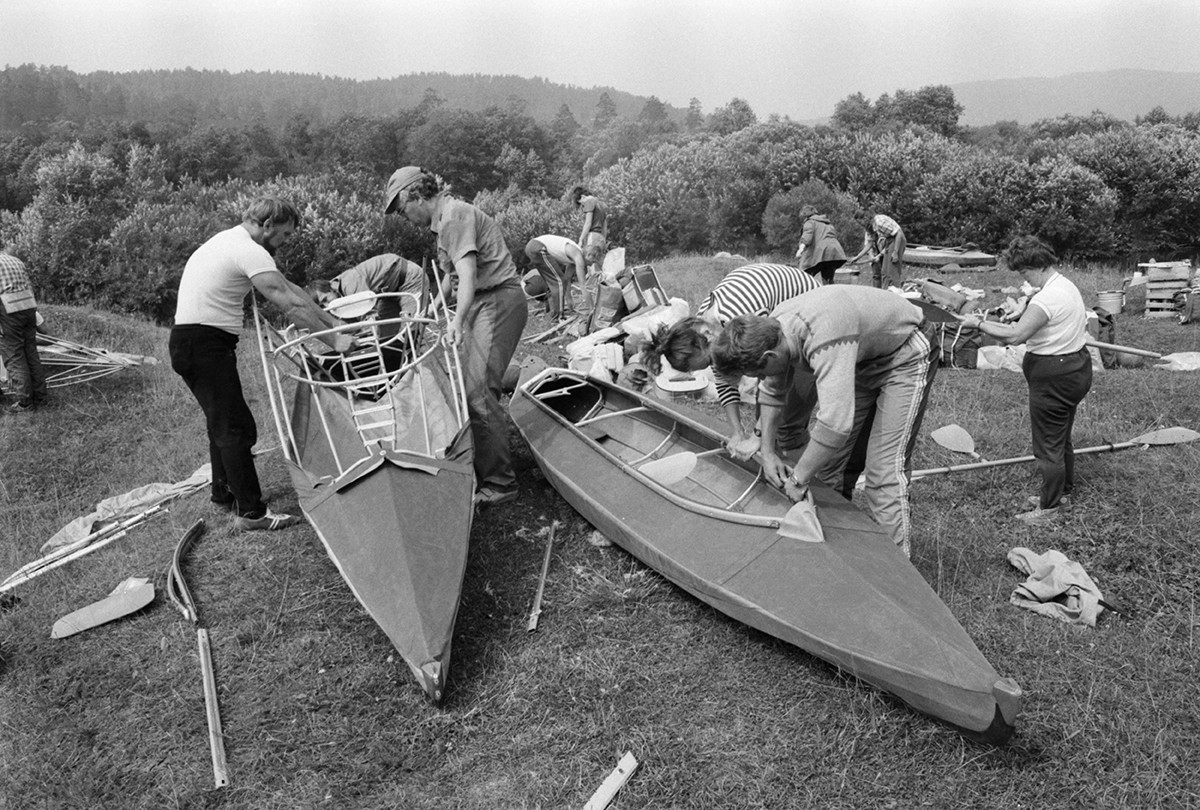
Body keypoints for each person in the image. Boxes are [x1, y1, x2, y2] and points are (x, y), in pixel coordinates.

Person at [711, 285, 940, 558]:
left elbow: (834, 424)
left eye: (756, 373)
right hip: (863, 358)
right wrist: (768, 451)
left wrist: (797, 479)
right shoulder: (774, 333)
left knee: (883, 471)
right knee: (831, 466)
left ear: (768, 357)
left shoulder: (824, 336)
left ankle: (896, 568)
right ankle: (836, 546)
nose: (759, 379)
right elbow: (772, 390)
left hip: (906, 352)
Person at [170, 196, 353, 531]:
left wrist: (333, 324)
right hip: (202, 343)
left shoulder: (230, 242)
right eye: (283, 235)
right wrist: (335, 342)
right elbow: (288, 304)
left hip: (195, 342)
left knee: (223, 421)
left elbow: (293, 290)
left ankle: (224, 493)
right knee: (236, 428)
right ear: (267, 226)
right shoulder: (248, 249)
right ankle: (251, 513)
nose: (284, 243)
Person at [385, 166, 529, 506]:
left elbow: (467, 273)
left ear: (416, 196)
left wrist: (457, 321)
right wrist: (431, 309)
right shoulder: (443, 225)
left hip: (497, 300)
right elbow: (450, 277)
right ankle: (483, 465)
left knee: (477, 391)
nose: (406, 218)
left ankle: (501, 484)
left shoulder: (454, 216)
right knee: (466, 386)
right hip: (483, 301)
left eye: (404, 210)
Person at [957, 236, 1091, 526]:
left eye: (1024, 272)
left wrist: (978, 324)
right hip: (1075, 367)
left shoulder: (1047, 297)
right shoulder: (1063, 286)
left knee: (1047, 446)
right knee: (1060, 436)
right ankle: (1062, 491)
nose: (1023, 278)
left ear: (1039, 265)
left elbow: (1017, 336)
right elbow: (1034, 320)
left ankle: (1050, 508)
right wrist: (1020, 313)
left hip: (1054, 375)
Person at [641, 263, 822, 455]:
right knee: (767, 426)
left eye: (710, 362)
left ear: (707, 335)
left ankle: (799, 479)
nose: (714, 366)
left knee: (786, 427)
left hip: (814, 318)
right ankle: (776, 463)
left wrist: (759, 434)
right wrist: (738, 432)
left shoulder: (745, 317)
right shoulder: (708, 328)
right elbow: (724, 380)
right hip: (781, 324)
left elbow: (776, 378)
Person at [310, 253, 427, 370]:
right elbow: (352, 328)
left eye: (325, 299)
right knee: (386, 342)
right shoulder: (339, 298)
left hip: (409, 280)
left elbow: (368, 321)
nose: (327, 305)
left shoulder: (350, 284)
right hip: (388, 293)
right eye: (322, 306)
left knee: (412, 335)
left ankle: (427, 376)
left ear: (331, 287)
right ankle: (397, 378)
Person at [0, 248, 48, 412]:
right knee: (30, 351)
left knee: (13, 353)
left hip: (8, 309)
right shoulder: (15, 260)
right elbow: (30, 287)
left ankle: (25, 402)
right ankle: (41, 397)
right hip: (28, 306)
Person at [523, 235, 585, 320]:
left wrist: (569, 299)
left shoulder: (573, 259)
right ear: (589, 255)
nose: (591, 265)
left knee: (553, 284)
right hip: (538, 247)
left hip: (533, 246)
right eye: (592, 262)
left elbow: (567, 279)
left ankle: (553, 313)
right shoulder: (578, 254)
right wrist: (590, 307)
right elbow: (583, 285)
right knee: (559, 282)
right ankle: (558, 317)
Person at [849, 212, 907, 289]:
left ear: (865, 218)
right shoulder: (870, 228)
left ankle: (895, 292)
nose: (861, 225)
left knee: (892, 270)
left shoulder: (879, 222)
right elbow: (869, 244)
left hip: (897, 240)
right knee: (884, 272)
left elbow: (899, 232)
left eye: (860, 222)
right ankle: (886, 291)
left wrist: (895, 252)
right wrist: (857, 257)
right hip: (889, 241)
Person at [794, 206, 848, 284]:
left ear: (804, 215)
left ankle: (805, 294)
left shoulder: (810, 222)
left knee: (803, 277)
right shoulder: (827, 223)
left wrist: (800, 250)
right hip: (833, 253)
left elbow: (807, 237)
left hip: (821, 253)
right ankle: (830, 294)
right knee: (828, 280)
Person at [571, 185, 608, 275]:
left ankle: (590, 287)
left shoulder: (589, 201)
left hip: (593, 236)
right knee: (600, 267)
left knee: (589, 264)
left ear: (583, 197)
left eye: (581, 204)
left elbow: (588, 223)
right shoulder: (601, 204)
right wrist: (604, 241)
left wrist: (581, 239)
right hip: (601, 238)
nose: (583, 206)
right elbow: (605, 226)